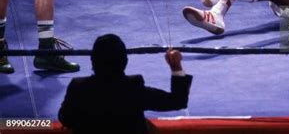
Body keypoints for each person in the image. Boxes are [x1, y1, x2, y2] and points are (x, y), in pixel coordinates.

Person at [59, 34, 192, 134]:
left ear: (92, 61)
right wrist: (176, 68)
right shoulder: (133, 88)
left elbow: (65, 118)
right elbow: (177, 101)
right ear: (125, 61)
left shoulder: (79, 87)